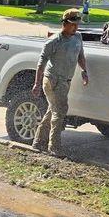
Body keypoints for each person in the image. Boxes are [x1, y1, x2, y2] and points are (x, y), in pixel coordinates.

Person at [32, 8, 88, 155]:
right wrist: (37, 84)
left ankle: (38, 142)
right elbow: (41, 63)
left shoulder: (78, 38)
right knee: (60, 111)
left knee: (53, 110)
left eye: (77, 24)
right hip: (52, 81)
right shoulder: (54, 41)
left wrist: (84, 71)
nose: (76, 27)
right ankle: (54, 147)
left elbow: (80, 56)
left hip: (65, 81)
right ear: (64, 23)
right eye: (72, 24)